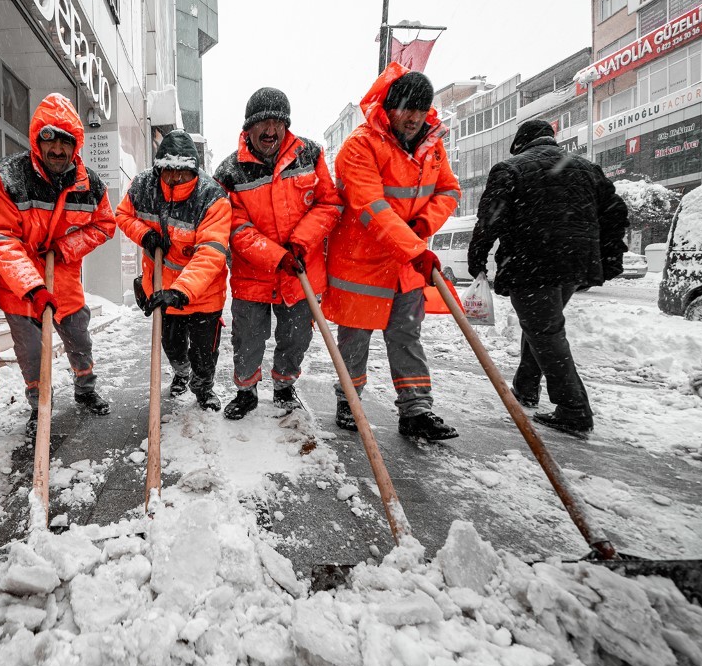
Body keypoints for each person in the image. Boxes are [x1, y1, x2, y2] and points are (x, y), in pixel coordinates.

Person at [322, 65, 462, 441]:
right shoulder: (360, 146)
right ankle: (349, 401)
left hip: (406, 265)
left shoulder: (433, 145)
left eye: (421, 109)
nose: (414, 117)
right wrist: (414, 246)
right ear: (388, 107)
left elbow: (449, 191)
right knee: (356, 340)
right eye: (406, 109)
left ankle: (417, 409)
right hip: (361, 266)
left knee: (406, 336)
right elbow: (371, 207)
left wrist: (422, 227)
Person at [467, 119, 629, 436]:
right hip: (575, 264)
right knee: (542, 325)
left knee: (545, 330)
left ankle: (574, 409)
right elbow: (615, 213)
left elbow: (490, 218)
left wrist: (478, 258)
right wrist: (608, 256)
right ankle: (526, 389)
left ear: (520, 143)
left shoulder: (510, 168)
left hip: (531, 261)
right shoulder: (586, 168)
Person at [0, 93, 116, 435]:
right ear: (36, 140)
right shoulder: (6, 178)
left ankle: (85, 390)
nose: (57, 148)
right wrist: (33, 286)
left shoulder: (90, 186)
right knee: (30, 352)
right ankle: (40, 406)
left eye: (66, 141)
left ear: (77, 145)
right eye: (49, 138)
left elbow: (105, 225)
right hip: (19, 284)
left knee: (79, 339)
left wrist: (66, 246)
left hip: (64, 278)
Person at [213, 87, 341, 419]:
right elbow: (234, 228)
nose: (271, 130)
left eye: (278, 122)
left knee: (296, 337)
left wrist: (301, 241)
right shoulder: (229, 172)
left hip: (301, 270)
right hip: (253, 274)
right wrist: (275, 255)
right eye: (263, 123)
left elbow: (329, 204)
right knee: (247, 339)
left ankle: (284, 386)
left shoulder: (310, 154)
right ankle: (246, 391)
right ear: (248, 127)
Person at [116, 129, 232, 411]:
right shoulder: (144, 186)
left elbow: (210, 252)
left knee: (205, 355)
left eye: (183, 172)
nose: (175, 178)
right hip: (161, 290)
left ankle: (203, 388)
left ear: (194, 168)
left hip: (203, 294)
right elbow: (122, 215)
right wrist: (144, 234)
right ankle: (181, 373)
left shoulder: (211, 197)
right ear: (158, 168)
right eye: (168, 171)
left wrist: (181, 291)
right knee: (173, 347)